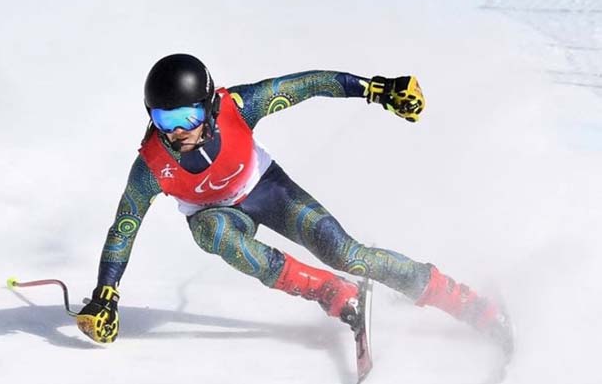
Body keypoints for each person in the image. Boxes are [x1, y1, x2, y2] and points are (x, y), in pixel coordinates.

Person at [76, 53, 513, 355]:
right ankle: (333, 292)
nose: (177, 132)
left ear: (208, 107)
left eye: (186, 117)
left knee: (349, 255)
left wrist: (377, 89)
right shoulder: (151, 165)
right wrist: (105, 296)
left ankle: (462, 300)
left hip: (266, 188)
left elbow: (308, 84)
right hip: (215, 214)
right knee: (211, 233)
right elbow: (124, 228)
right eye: (163, 120)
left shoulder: (238, 106)